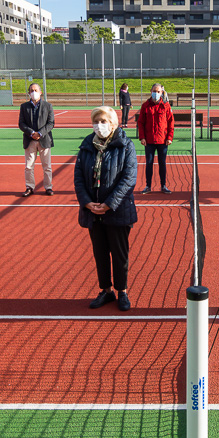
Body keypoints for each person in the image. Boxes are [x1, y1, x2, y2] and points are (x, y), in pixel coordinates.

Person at [74, 106, 138, 312]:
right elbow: (78, 178)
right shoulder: (86, 146)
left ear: (113, 124)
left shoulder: (126, 146)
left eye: (103, 121)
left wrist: (109, 204)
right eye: (96, 121)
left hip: (117, 211)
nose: (99, 125)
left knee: (120, 255)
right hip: (93, 212)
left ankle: (122, 292)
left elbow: (129, 179)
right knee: (100, 254)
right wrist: (86, 202)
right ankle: (106, 290)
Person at [136, 83, 174, 194]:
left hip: (163, 141)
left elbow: (171, 123)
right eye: (154, 91)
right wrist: (142, 137)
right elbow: (141, 122)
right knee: (149, 163)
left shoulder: (166, 106)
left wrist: (169, 137)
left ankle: (163, 186)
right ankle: (148, 186)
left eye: (158, 92)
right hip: (149, 141)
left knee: (162, 163)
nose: (156, 93)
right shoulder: (145, 106)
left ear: (162, 93)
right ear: (150, 91)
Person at [18, 82, 54, 196]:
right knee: (29, 167)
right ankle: (29, 187)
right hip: (30, 140)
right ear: (28, 93)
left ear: (40, 92)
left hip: (44, 140)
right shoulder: (24, 106)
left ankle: (48, 187)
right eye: (31, 91)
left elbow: (51, 123)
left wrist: (40, 133)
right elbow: (21, 123)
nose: (33, 92)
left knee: (47, 166)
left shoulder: (48, 106)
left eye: (36, 90)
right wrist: (32, 133)